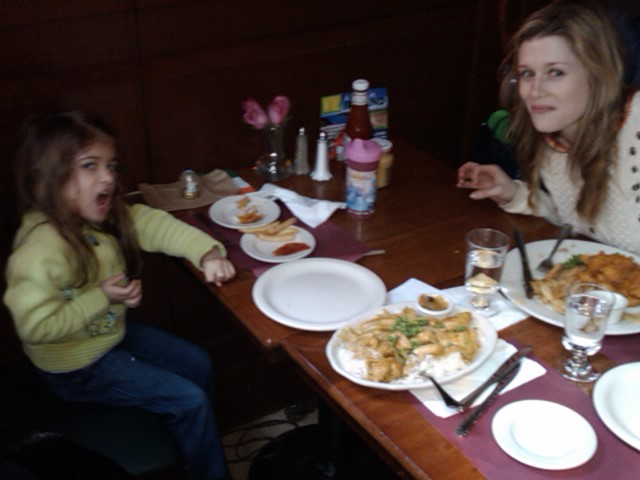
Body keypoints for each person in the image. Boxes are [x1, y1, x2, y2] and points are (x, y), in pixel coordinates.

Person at [3, 111, 236, 480]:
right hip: (75, 368)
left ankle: (195, 446)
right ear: (50, 175)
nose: (108, 177)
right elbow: (35, 327)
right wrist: (102, 297)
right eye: (90, 165)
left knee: (198, 363)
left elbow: (150, 222)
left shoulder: (96, 216)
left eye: (110, 165)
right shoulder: (40, 250)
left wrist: (206, 252)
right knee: (190, 402)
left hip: (110, 335)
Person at [457, 1, 640, 256]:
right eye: (527, 73)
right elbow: (575, 221)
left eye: (555, 72)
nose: (535, 91)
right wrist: (514, 194)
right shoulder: (551, 138)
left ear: (597, 76)